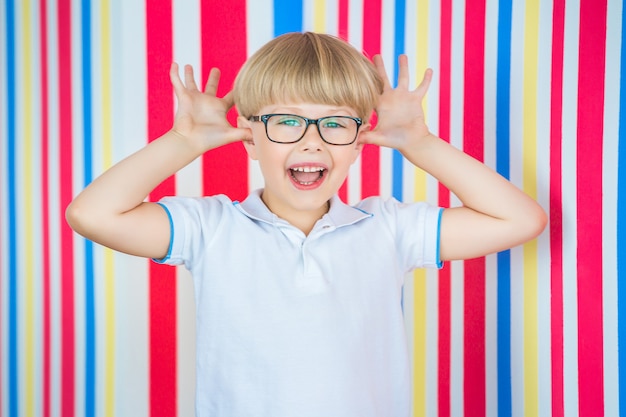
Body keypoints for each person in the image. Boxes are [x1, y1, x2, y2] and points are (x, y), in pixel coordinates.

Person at [66, 32, 546, 416]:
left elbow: (520, 219)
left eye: (335, 124)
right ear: (250, 139)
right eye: (287, 122)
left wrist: (419, 144)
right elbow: (91, 214)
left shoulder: (388, 228)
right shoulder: (208, 228)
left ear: (359, 142)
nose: (312, 143)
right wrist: (184, 140)